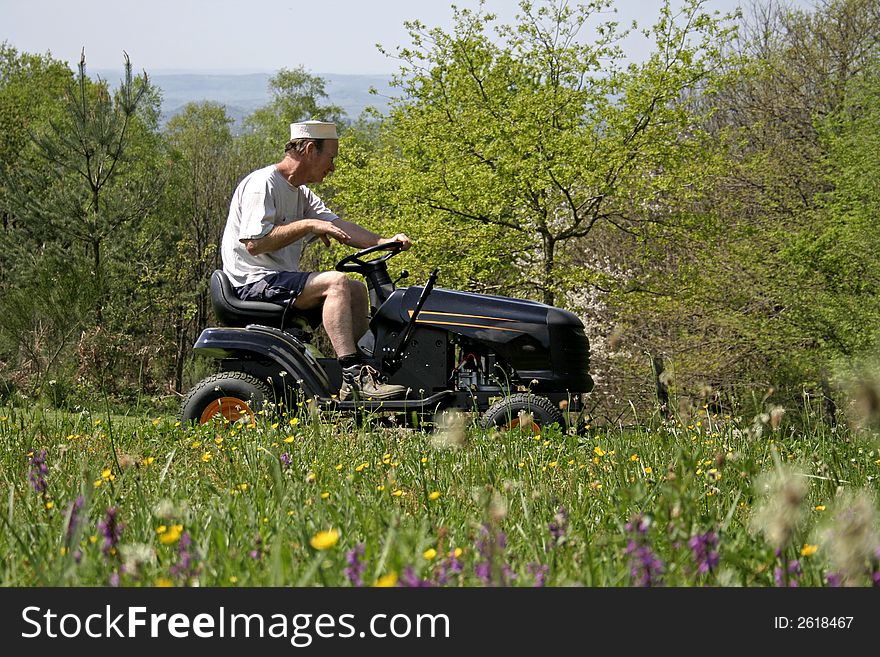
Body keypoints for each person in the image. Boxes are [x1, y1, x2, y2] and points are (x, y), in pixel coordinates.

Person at [221, 120, 411, 401]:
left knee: (356, 290)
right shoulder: (263, 184)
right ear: (310, 149)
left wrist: (383, 242)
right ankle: (352, 377)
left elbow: (339, 226)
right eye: (330, 158)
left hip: (274, 281)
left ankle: (369, 373)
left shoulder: (300, 193)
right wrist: (308, 225)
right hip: (253, 282)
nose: (332, 167)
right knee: (336, 283)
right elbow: (255, 244)